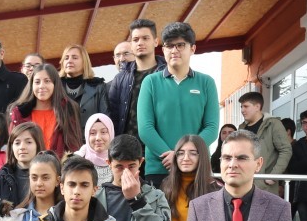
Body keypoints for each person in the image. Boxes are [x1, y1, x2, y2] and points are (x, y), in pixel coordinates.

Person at [138, 22, 220, 186]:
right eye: (169, 46)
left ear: (192, 49)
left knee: (198, 212)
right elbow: (145, 128)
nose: (174, 50)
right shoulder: (150, 82)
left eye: (180, 45)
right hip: (159, 168)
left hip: (197, 168)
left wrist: (182, 155)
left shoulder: (206, 82)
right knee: (160, 213)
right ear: (163, 50)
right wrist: (172, 156)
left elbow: (211, 127)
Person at [7, 64, 82, 159]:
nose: (42, 86)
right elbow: (13, 149)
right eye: (37, 82)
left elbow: (74, 146)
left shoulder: (67, 109)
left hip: (60, 169)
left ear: (55, 84)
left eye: (47, 81)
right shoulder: (19, 114)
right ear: (31, 85)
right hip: (28, 170)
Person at [108, 18, 164, 137]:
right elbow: (113, 117)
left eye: (145, 38)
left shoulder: (167, 74)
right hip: (128, 149)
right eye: (135, 39)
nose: (140, 43)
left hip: (161, 146)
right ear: (132, 45)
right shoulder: (120, 79)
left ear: (156, 41)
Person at [238, 92, 292, 197]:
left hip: (264, 187)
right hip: (243, 184)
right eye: (241, 107)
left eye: (246, 106)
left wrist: (273, 176)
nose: (242, 110)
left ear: (257, 106)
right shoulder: (241, 127)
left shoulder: (273, 124)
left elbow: (286, 150)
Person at [0, 121, 44, 205]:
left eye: (28, 142)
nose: (22, 147)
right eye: (17, 143)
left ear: (38, 144)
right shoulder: (2, 177)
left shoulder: (48, 175)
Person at [10, 151, 62, 221]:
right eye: (34, 178)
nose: (39, 183)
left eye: (45, 178)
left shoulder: (66, 216)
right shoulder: (18, 218)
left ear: (57, 181)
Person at [59, 44, 109, 120]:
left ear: (84, 62)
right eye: (66, 58)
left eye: (75, 58)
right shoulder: (54, 86)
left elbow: (105, 118)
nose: (69, 61)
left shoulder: (98, 86)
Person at [76, 113, 114, 186]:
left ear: (111, 134)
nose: (98, 138)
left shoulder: (118, 161)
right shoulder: (77, 162)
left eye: (103, 132)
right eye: (93, 133)